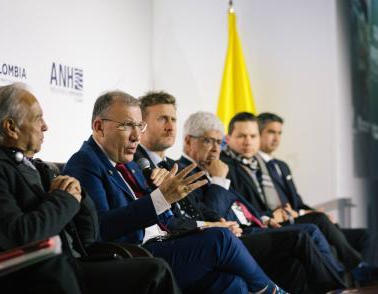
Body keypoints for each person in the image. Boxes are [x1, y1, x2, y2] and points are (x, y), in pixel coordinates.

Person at [0, 83, 181, 294]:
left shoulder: (34, 166)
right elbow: (23, 234)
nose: (45, 126)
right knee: (156, 270)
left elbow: (89, 232)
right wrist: (65, 197)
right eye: (38, 118)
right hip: (36, 273)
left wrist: (77, 192)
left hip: (74, 262)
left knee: (156, 269)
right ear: (11, 127)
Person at [63, 90, 287, 293]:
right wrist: (162, 198)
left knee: (230, 283)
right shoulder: (85, 164)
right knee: (221, 239)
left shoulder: (131, 163)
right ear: (99, 127)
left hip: (164, 243)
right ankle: (273, 291)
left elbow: (167, 220)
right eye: (127, 126)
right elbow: (100, 228)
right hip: (135, 256)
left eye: (139, 127)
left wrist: (204, 225)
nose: (136, 136)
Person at [134, 92, 344, 293]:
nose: (217, 149)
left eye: (219, 142)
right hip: (202, 241)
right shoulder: (151, 166)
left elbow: (216, 208)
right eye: (163, 119)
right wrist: (217, 187)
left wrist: (262, 218)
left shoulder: (185, 166)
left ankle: (340, 285)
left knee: (299, 252)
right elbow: (192, 215)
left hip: (232, 230)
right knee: (302, 234)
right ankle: (338, 289)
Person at [221, 111, 378, 284]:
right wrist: (272, 215)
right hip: (260, 225)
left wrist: (302, 211)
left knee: (362, 233)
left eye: (252, 136)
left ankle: (357, 275)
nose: (248, 141)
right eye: (242, 136)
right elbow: (241, 208)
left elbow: (295, 200)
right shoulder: (227, 166)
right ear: (228, 139)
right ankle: (349, 275)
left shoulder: (262, 164)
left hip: (281, 217)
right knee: (315, 224)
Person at [257, 112, 378, 266]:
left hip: (301, 217)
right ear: (259, 132)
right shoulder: (255, 166)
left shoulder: (282, 166)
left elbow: (298, 202)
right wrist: (306, 214)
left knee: (366, 235)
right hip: (283, 223)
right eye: (271, 132)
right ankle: (359, 266)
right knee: (320, 220)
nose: (276, 138)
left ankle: (366, 280)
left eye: (279, 133)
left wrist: (314, 211)